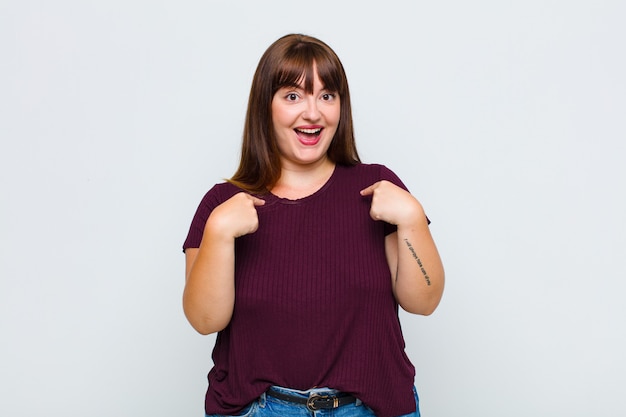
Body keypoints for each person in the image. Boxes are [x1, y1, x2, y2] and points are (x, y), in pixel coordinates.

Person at [182, 33, 444, 417]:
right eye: (293, 96)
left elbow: (423, 302)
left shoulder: (377, 189)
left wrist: (412, 219)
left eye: (327, 96)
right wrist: (219, 233)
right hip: (258, 409)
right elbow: (205, 320)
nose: (313, 113)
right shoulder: (221, 205)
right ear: (265, 107)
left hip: (369, 408)